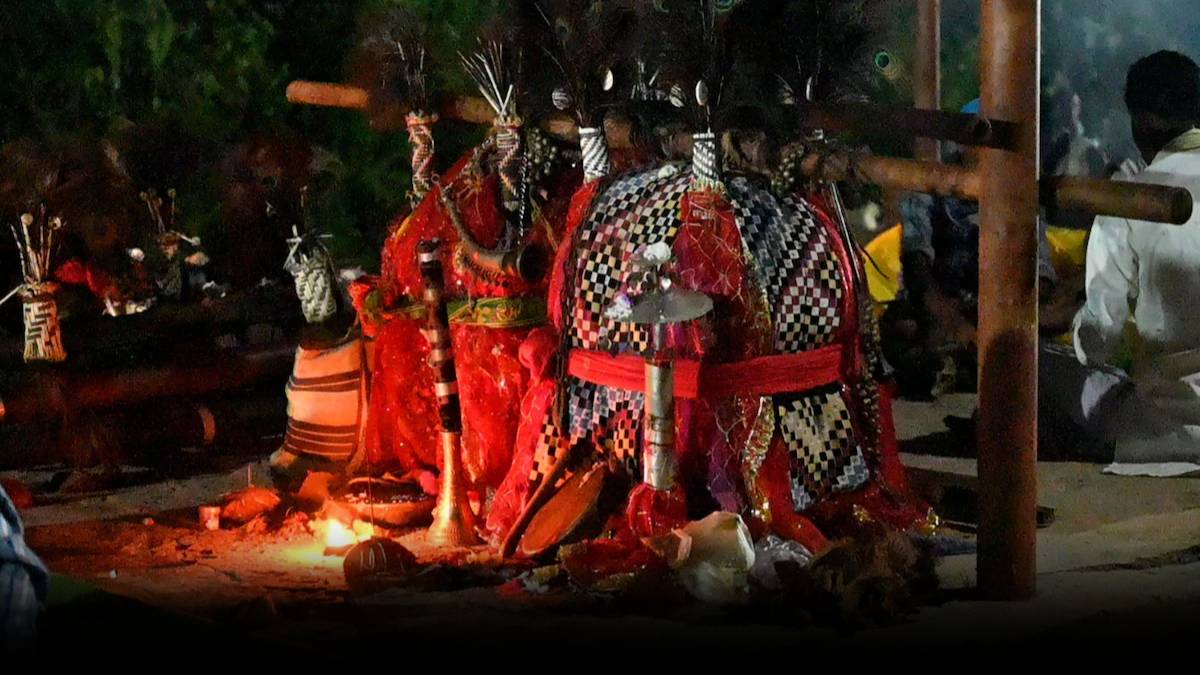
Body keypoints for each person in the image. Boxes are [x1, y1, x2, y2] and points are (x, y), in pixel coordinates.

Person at [1041, 50, 1200, 475]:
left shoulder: (1130, 197)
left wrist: (1063, 326)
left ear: (1140, 121)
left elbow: (1099, 338)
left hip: (1167, 433)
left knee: (1037, 366)